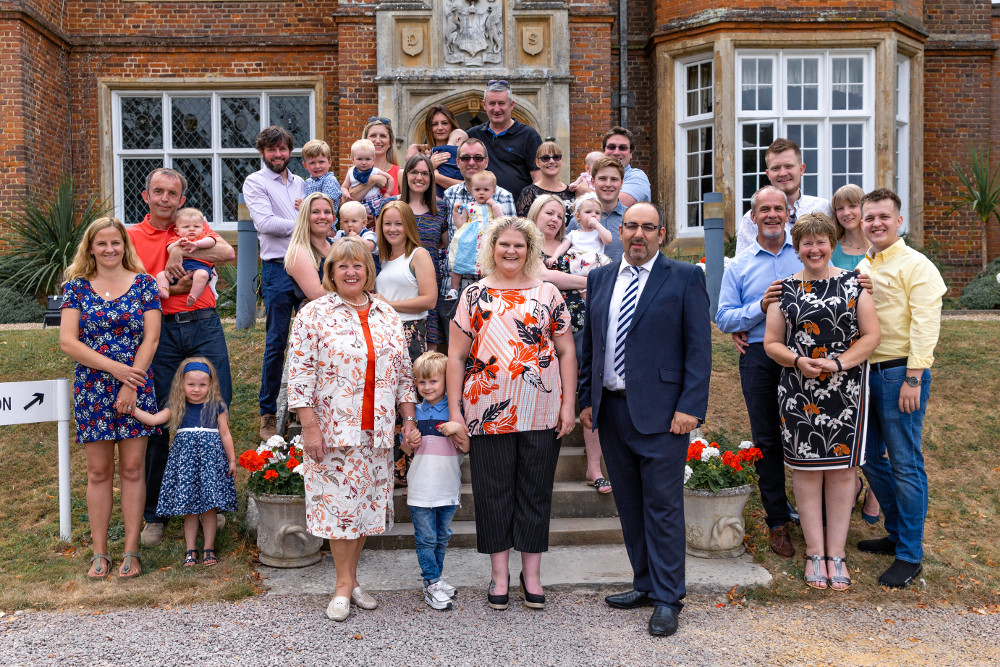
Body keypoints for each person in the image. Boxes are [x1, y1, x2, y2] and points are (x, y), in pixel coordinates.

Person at [578, 202, 710, 637]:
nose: (638, 234)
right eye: (630, 226)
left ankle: (669, 597)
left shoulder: (686, 277)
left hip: (663, 415)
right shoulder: (599, 278)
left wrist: (690, 407)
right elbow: (590, 347)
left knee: (664, 509)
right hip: (612, 411)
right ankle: (645, 584)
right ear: (620, 232)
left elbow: (698, 350)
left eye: (647, 228)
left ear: (661, 233)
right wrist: (586, 400)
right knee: (630, 507)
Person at [446, 216, 577, 612]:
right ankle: (500, 575)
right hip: (487, 413)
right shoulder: (473, 295)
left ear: (531, 249)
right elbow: (455, 356)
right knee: (493, 495)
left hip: (542, 411)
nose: (511, 251)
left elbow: (567, 351)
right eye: (504, 244)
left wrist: (569, 404)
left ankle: (531, 575)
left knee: (535, 493)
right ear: (491, 247)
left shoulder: (548, 293)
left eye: (519, 245)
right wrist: (455, 411)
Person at [287, 236, 418, 622]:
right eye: (342, 265)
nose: (350, 271)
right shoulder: (314, 314)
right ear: (330, 271)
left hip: (376, 432)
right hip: (332, 433)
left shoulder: (386, 313)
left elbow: (404, 375)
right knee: (339, 509)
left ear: (368, 271)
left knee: (363, 510)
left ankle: (351, 579)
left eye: (358, 265)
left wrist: (408, 419)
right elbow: (299, 377)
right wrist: (310, 428)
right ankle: (343, 586)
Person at [763, 213, 880, 591]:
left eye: (821, 241)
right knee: (807, 471)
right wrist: (798, 361)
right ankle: (815, 552)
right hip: (799, 390)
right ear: (797, 249)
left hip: (846, 390)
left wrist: (838, 363)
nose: (814, 249)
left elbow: (871, 335)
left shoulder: (854, 285)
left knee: (844, 472)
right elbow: (772, 343)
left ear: (832, 244)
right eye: (806, 243)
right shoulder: (784, 290)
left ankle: (837, 554)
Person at [129, 167, 235, 548]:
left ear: (180, 199)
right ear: (146, 196)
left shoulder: (190, 227)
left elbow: (227, 252)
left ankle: (214, 503)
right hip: (161, 330)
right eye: (157, 192)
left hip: (203, 323)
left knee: (215, 407)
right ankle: (156, 515)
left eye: (171, 194)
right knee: (160, 416)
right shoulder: (132, 236)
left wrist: (180, 247)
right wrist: (176, 280)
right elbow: (133, 278)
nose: (164, 199)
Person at [59, 217, 162, 579]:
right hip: (92, 389)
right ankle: (99, 552)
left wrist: (130, 380)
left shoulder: (144, 285)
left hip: (136, 383)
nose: (109, 249)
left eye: (115, 243)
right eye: (101, 243)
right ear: (90, 248)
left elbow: (150, 339)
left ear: (124, 246)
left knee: (133, 470)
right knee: (98, 471)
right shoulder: (76, 288)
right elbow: (68, 341)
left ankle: (131, 551)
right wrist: (115, 370)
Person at [855, 188, 947, 589]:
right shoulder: (864, 264)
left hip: (899, 375)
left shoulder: (917, 266)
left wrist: (913, 377)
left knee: (906, 462)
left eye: (883, 217)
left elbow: (926, 324)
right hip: (863, 374)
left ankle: (910, 554)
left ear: (899, 222)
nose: (876, 223)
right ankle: (895, 533)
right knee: (872, 459)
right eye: (869, 218)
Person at [715, 185, 803, 558]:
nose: (771, 215)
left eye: (778, 209)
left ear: (788, 214)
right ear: (753, 217)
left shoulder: (805, 255)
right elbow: (722, 317)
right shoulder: (739, 265)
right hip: (758, 357)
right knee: (767, 440)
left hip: (803, 356)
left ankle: (816, 514)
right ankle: (778, 520)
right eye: (763, 209)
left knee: (806, 437)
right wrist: (758, 307)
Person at [528, 195, 608, 494]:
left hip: (580, 322)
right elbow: (543, 276)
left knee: (587, 393)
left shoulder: (573, 244)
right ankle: (540, 469)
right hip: (541, 328)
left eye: (561, 216)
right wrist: (587, 281)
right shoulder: (525, 244)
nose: (555, 220)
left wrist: (583, 280)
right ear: (536, 213)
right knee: (547, 394)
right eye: (549, 213)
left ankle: (594, 467)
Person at [132, 357, 237, 569]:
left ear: (211, 385)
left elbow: (225, 434)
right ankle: (191, 550)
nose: (196, 389)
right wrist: (132, 409)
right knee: (190, 511)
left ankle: (209, 548)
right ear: (182, 384)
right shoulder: (177, 406)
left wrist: (232, 459)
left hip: (210, 464)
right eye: (191, 384)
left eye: (202, 385)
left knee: (209, 509)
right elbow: (154, 420)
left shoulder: (217, 406)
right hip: (186, 465)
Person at [242, 125, 305, 441]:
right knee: (277, 340)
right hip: (277, 268)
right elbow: (265, 224)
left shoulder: (301, 183)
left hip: (306, 264)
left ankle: (307, 404)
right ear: (262, 152)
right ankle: (268, 414)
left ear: (289, 151)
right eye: (271, 150)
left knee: (314, 337)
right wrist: (306, 223)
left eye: (282, 149)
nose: (278, 155)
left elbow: (323, 217)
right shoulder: (255, 182)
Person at [401, 351, 469, 611]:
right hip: (421, 487)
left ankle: (436, 580)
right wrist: (411, 441)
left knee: (442, 537)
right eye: (421, 382)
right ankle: (431, 582)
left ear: (447, 381)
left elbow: (467, 447)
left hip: (448, 486)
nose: (426, 387)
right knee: (426, 538)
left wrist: (459, 430)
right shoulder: (414, 412)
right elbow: (405, 450)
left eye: (433, 381)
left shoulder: (456, 412)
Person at [382, 154, 450, 349]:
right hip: (398, 280)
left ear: (431, 177)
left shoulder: (440, 208)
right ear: (406, 175)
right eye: (414, 172)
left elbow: (445, 244)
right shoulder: (391, 205)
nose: (419, 177)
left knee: (429, 346)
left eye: (424, 173)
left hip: (429, 281)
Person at [734, 138, 834, 256]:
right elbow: (742, 265)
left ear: (801, 169)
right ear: (768, 174)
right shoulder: (752, 219)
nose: (783, 173)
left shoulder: (823, 208)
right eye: (776, 168)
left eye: (788, 166)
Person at [443, 137, 517, 260]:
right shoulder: (449, 194)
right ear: (458, 162)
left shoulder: (504, 196)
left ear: (486, 162)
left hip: (490, 274)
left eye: (477, 158)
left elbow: (510, 236)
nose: (471, 163)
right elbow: (446, 238)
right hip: (457, 272)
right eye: (465, 158)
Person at [467, 80, 543, 198]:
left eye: (501, 103)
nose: (496, 109)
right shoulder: (473, 135)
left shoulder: (529, 135)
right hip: (480, 209)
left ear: (511, 105)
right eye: (492, 103)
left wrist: (526, 206)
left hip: (517, 212)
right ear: (484, 105)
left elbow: (538, 177)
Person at [448, 170, 504, 297]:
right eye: (477, 189)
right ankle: (454, 289)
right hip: (469, 242)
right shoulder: (469, 206)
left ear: (493, 191)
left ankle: (488, 287)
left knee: (488, 263)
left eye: (486, 189)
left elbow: (501, 221)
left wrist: (494, 206)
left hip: (487, 239)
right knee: (458, 261)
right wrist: (455, 213)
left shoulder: (494, 206)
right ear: (472, 191)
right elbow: (460, 225)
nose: (481, 193)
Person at [572, 127, 651, 207]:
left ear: (631, 153)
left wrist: (585, 191)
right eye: (611, 147)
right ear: (604, 151)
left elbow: (619, 204)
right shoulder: (592, 174)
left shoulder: (637, 177)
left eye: (623, 148)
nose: (616, 152)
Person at [569, 156, 627, 263]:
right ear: (592, 181)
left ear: (621, 183)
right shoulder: (578, 221)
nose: (608, 184)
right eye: (603, 179)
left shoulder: (630, 218)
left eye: (614, 179)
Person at [153, 208, 216, 305]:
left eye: (196, 226)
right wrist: (177, 244)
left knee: (202, 275)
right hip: (179, 270)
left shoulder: (202, 237)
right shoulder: (177, 239)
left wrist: (197, 244)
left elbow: (212, 242)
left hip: (199, 267)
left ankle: (193, 296)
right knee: (161, 275)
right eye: (186, 227)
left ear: (203, 229)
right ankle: (164, 291)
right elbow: (169, 249)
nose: (192, 229)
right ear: (177, 231)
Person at [285, 192, 337, 302]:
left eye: (327, 212)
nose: (322, 217)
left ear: (333, 218)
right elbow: (316, 294)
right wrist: (351, 280)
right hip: (317, 314)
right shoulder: (298, 252)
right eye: (315, 212)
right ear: (305, 216)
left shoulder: (335, 246)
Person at [545, 193, 612, 276]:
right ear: (578, 216)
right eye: (588, 212)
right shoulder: (573, 234)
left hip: (595, 266)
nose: (593, 215)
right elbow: (563, 247)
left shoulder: (599, 233)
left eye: (597, 213)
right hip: (577, 265)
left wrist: (597, 225)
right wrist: (554, 257)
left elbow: (608, 240)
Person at [405, 105, 464, 195]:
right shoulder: (424, 155)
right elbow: (410, 185)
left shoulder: (464, 153)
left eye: (444, 123)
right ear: (429, 128)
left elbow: (470, 186)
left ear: (451, 125)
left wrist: (435, 175)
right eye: (434, 124)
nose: (440, 128)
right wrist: (429, 165)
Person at [515, 142, 573, 217]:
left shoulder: (571, 192)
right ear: (537, 162)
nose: (552, 161)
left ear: (561, 160)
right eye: (545, 158)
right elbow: (523, 226)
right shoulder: (529, 193)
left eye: (556, 157)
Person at [345, 139, 395, 218]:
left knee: (380, 218)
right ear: (353, 159)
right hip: (359, 204)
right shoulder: (351, 173)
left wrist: (388, 193)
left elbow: (390, 179)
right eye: (360, 159)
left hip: (376, 201)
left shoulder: (375, 171)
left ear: (373, 159)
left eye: (367, 159)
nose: (364, 162)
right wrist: (346, 193)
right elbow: (344, 187)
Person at [355, 117, 400, 199]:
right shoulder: (356, 171)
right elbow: (345, 203)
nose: (378, 140)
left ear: (390, 142)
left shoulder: (400, 173)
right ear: (365, 140)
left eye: (383, 136)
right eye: (373, 135)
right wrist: (372, 180)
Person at [830, 184, 869, 271]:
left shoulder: (878, 247)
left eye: (852, 206)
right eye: (840, 208)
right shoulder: (831, 250)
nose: (846, 213)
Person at [297, 139, 342, 213]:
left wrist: (303, 207)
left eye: (321, 162)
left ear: (329, 162)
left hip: (325, 222)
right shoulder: (308, 182)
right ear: (305, 165)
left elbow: (326, 204)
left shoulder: (329, 180)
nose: (317, 166)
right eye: (312, 163)